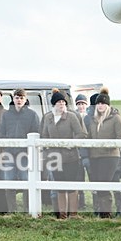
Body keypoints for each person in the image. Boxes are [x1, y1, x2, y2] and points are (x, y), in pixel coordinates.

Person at [41, 90, 86, 219]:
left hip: (71, 157)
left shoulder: (71, 116)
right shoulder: (48, 118)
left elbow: (81, 134)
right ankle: (62, 214)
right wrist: (48, 147)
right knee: (59, 187)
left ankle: (73, 214)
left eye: (63, 102)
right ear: (53, 104)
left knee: (71, 186)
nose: (61, 104)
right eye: (59, 102)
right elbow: (44, 135)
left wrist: (70, 144)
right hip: (55, 158)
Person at [0, 89, 40, 212]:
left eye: (21, 97)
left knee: (27, 182)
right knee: (9, 183)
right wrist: (8, 142)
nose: (19, 100)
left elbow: (36, 132)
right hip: (9, 153)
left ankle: (28, 209)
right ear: (13, 99)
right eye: (17, 97)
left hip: (25, 154)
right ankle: (12, 210)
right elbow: (1, 132)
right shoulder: (6, 115)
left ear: (25, 99)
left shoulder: (32, 115)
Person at [87, 89, 121, 218]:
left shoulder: (116, 119)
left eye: (103, 104)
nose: (100, 106)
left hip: (110, 156)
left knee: (104, 183)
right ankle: (101, 211)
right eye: (98, 104)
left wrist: (109, 145)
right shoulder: (93, 119)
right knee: (97, 183)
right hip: (94, 156)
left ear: (107, 105)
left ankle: (106, 213)